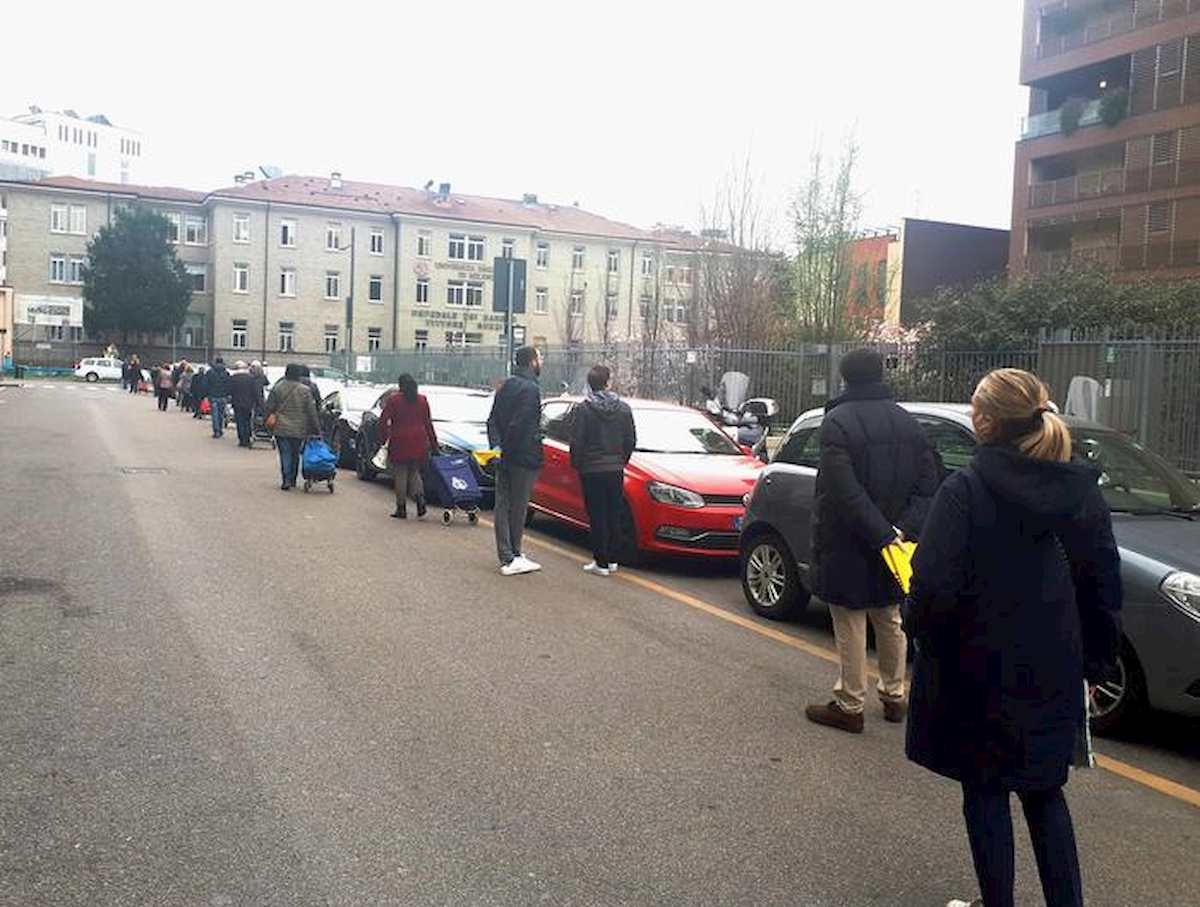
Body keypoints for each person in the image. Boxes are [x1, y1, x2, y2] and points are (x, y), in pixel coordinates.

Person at [904, 369, 1122, 907]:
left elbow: (932, 589)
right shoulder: (1078, 491)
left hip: (976, 670)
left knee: (984, 792)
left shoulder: (966, 490)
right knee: (1045, 793)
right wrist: (1095, 664)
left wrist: (922, 642)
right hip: (1055, 669)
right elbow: (1102, 585)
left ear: (985, 420)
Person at [805, 348, 941, 733]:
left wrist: (878, 530)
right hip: (895, 541)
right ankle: (895, 695)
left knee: (849, 619)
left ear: (845, 377)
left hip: (847, 538)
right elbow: (928, 485)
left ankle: (849, 704)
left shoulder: (837, 423)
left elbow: (842, 490)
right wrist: (898, 530)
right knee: (890, 615)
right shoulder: (908, 423)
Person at [569, 364, 636, 576]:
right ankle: (613, 558)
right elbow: (630, 439)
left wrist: (578, 463)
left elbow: (577, 440)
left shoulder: (584, 409)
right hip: (615, 467)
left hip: (591, 469)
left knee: (596, 514)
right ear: (608, 383)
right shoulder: (623, 409)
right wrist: (621, 460)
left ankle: (601, 561)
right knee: (613, 513)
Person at [486, 346, 544, 576]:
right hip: (522, 456)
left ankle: (510, 553)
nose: (542, 362)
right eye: (540, 358)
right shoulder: (531, 389)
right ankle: (511, 557)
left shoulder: (506, 386)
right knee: (518, 506)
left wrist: (498, 448)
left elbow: (492, 420)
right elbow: (521, 424)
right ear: (531, 362)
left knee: (503, 504)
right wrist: (509, 448)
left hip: (506, 455)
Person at [377, 374, 439, 519]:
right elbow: (428, 423)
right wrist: (434, 444)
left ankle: (401, 508)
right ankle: (420, 499)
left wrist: (384, 438)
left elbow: (383, 420)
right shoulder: (422, 400)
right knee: (414, 471)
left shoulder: (394, 400)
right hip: (419, 441)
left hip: (399, 440)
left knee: (400, 473)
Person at [265, 363, 321, 490]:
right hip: (299, 428)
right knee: (295, 454)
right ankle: (293, 479)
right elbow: (311, 412)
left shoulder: (277, 388)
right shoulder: (305, 390)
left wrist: (267, 423)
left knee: (285, 453)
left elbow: (269, 407)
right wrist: (316, 429)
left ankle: (286, 480)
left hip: (280, 427)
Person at [229, 360, 261, 448]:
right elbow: (255, 391)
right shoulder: (251, 378)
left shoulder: (233, 378)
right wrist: (258, 402)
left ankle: (241, 440)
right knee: (247, 421)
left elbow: (230, 390)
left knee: (239, 422)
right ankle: (247, 438)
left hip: (237, 403)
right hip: (248, 403)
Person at [206, 356, 231, 438]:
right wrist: (227, 394)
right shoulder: (226, 373)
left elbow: (206, 384)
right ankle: (220, 429)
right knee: (221, 414)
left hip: (213, 396)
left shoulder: (210, 372)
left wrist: (207, 394)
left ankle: (216, 431)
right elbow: (228, 385)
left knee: (214, 415)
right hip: (223, 396)